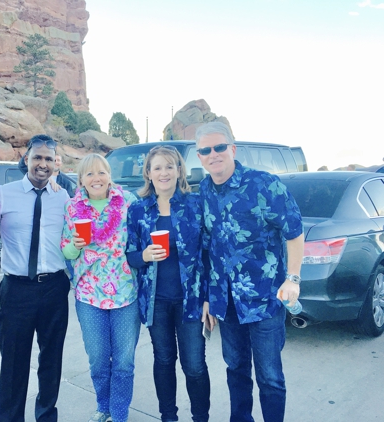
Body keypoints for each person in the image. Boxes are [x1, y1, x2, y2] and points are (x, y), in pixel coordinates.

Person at [195, 122, 304, 422]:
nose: (213, 154)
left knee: (269, 376)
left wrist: (293, 278)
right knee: (236, 369)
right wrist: (207, 297)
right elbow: (206, 248)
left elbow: (294, 231)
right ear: (199, 156)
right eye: (205, 150)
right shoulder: (203, 192)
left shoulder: (264, 185)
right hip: (226, 303)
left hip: (266, 299)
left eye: (219, 147)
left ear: (233, 149)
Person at [126, 146, 213, 422]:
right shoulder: (138, 209)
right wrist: (144, 255)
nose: (163, 172)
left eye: (169, 166)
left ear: (179, 170)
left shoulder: (195, 204)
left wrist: (210, 299)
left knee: (195, 366)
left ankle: (200, 417)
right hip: (156, 302)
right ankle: (168, 417)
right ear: (148, 173)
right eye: (157, 167)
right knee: (163, 361)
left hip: (191, 301)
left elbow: (209, 255)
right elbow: (129, 255)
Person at [0, 134, 70, 422]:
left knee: (51, 361)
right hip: (16, 291)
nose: (42, 163)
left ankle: (46, 416)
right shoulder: (5, 194)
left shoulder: (63, 196)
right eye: (37, 157)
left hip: (54, 288)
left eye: (48, 158)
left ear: (55, 164)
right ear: (26, 159)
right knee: (13, 364)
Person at [61, 154, 139, 422]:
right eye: (90, 174)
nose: (97, 178)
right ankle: (103, 406)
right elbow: (67, 252)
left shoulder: (128, 202)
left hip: (125, 293)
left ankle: (119, 414)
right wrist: (75, 245)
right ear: (81, 179)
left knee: (124, 362)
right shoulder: (72, 208)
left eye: (102, 172)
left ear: (110, 176)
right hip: (88, 295)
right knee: (97, 360)